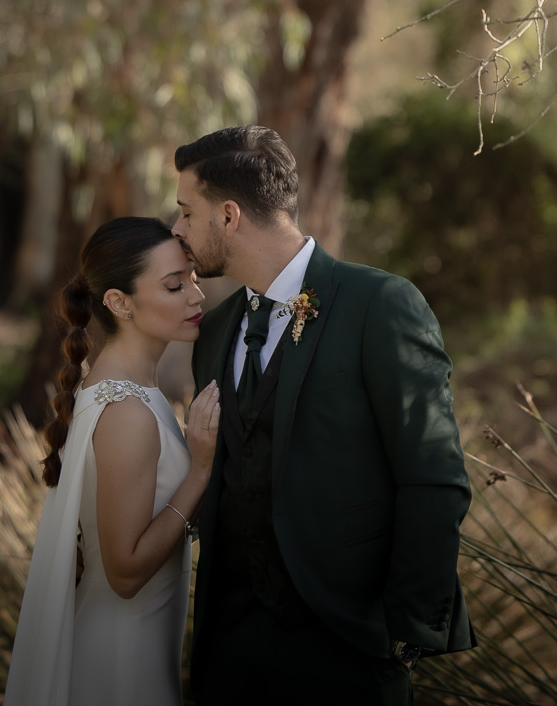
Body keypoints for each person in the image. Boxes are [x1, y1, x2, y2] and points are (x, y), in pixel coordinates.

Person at [173, 125, 474, 705]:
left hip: (351, 649)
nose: (178, 230)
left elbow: (433, 476)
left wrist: (406, 631)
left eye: (187, 212)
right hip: (228, 653)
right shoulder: (212, 332)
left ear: (229, 216)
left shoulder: (379, 305)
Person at [4, 216, 223, 706]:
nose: (196, 296)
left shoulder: (127, 391)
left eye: (192, 279)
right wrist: (200, 472)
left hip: (134, 644)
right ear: (120, 303)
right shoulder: (127, 412)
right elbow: (125, 574)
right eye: (174, 285)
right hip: (121, 659)